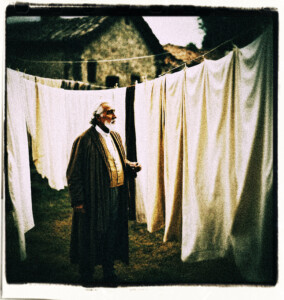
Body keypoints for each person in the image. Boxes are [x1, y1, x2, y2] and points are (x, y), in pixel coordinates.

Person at [66, 102, 141, 286]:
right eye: (110, 113)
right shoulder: (84, 140)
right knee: (91, 234)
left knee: (112, 233)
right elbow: (73, 173)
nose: (114, 116)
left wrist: (130, 166)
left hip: (116, 194)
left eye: (114, 113)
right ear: (99, 116)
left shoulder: (115, 136)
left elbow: (117, 160)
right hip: (94, 196)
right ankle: (87, 274)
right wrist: (78, 200)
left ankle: (109, 272)